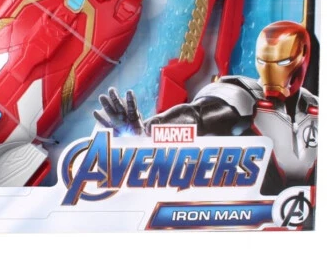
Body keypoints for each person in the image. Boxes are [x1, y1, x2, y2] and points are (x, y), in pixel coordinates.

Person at [94, 21, 318, 195]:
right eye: (263, 61)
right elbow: (195, 117)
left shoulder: (316, 108)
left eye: (282, 62)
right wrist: (144, 134)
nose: (271, 71)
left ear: (303, 58)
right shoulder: (244, 96)